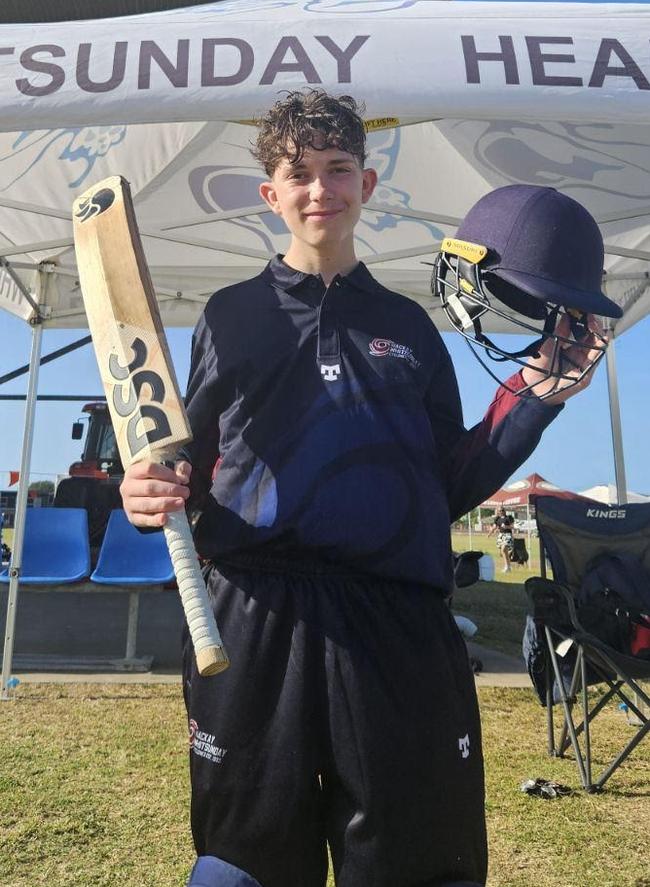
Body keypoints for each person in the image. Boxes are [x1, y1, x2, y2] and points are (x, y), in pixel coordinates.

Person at [120, 90, 604, 887]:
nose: (321, 189)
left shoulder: (412, 329)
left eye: (338, 169)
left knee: (415, 856)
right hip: (255, 615)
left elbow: (448, 480)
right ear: (271, 195)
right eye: (298, 173)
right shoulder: (230, 315)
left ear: (367, 185)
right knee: (246, 859)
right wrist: (146, 494)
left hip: (394, 623)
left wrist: (535, 394)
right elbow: (183, 469)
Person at [488, 505, 516, 573]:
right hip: (501, 535)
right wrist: (490, 533)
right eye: (500, 511)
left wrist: (506, 526)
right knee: (503, 552)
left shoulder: (509, 518)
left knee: (504, 549)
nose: (501, 512)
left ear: (505, 511)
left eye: (502, 510)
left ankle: (507, 566)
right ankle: (508, 566)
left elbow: (513, 526)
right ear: (498, 512)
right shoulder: (497, 519)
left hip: (508, 535)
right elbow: (494, 527)